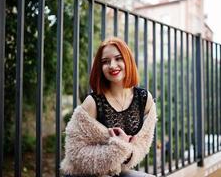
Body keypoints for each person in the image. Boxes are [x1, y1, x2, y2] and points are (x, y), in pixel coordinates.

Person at [61, 37, 157, 177]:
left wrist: (128, 151)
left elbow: (142, 145)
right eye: (105, 62)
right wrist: (118, 148)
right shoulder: (92, 102)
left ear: (128, 60)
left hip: (116, 171)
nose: (112, 65)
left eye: (118, 58)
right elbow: (74, 151)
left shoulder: (144, 98)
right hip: (83, 173)